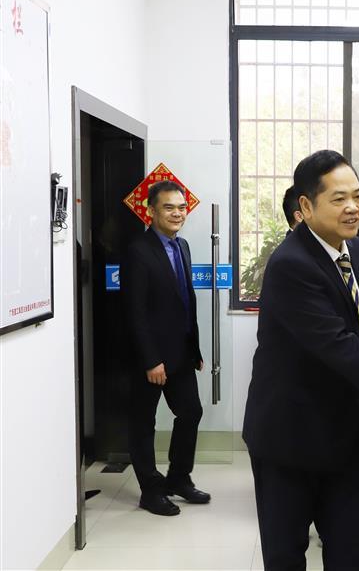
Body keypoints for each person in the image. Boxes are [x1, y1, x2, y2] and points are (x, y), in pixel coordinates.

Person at [242, 150, 359, 570]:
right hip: (290, 436)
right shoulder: (291, 263)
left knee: (350, 550)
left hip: (343, 433)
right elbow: (338, 346)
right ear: (305, 206)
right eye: (339, 199)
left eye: (357, 196)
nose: (353, 207)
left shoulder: (358, 251)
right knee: (286, 556)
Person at [120, 180, 209, 516]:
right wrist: (150, 359)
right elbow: (135, 312)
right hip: (151, 357)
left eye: (181, 207)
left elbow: (184, 301)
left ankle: (178, 478)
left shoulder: (181, 246)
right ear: (151, 211)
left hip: (181, 352)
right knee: (143, 423)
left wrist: (194, 349)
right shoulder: (138, 251)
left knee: (191, 412)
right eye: (169, 207)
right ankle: (150, 490)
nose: (177, 213)